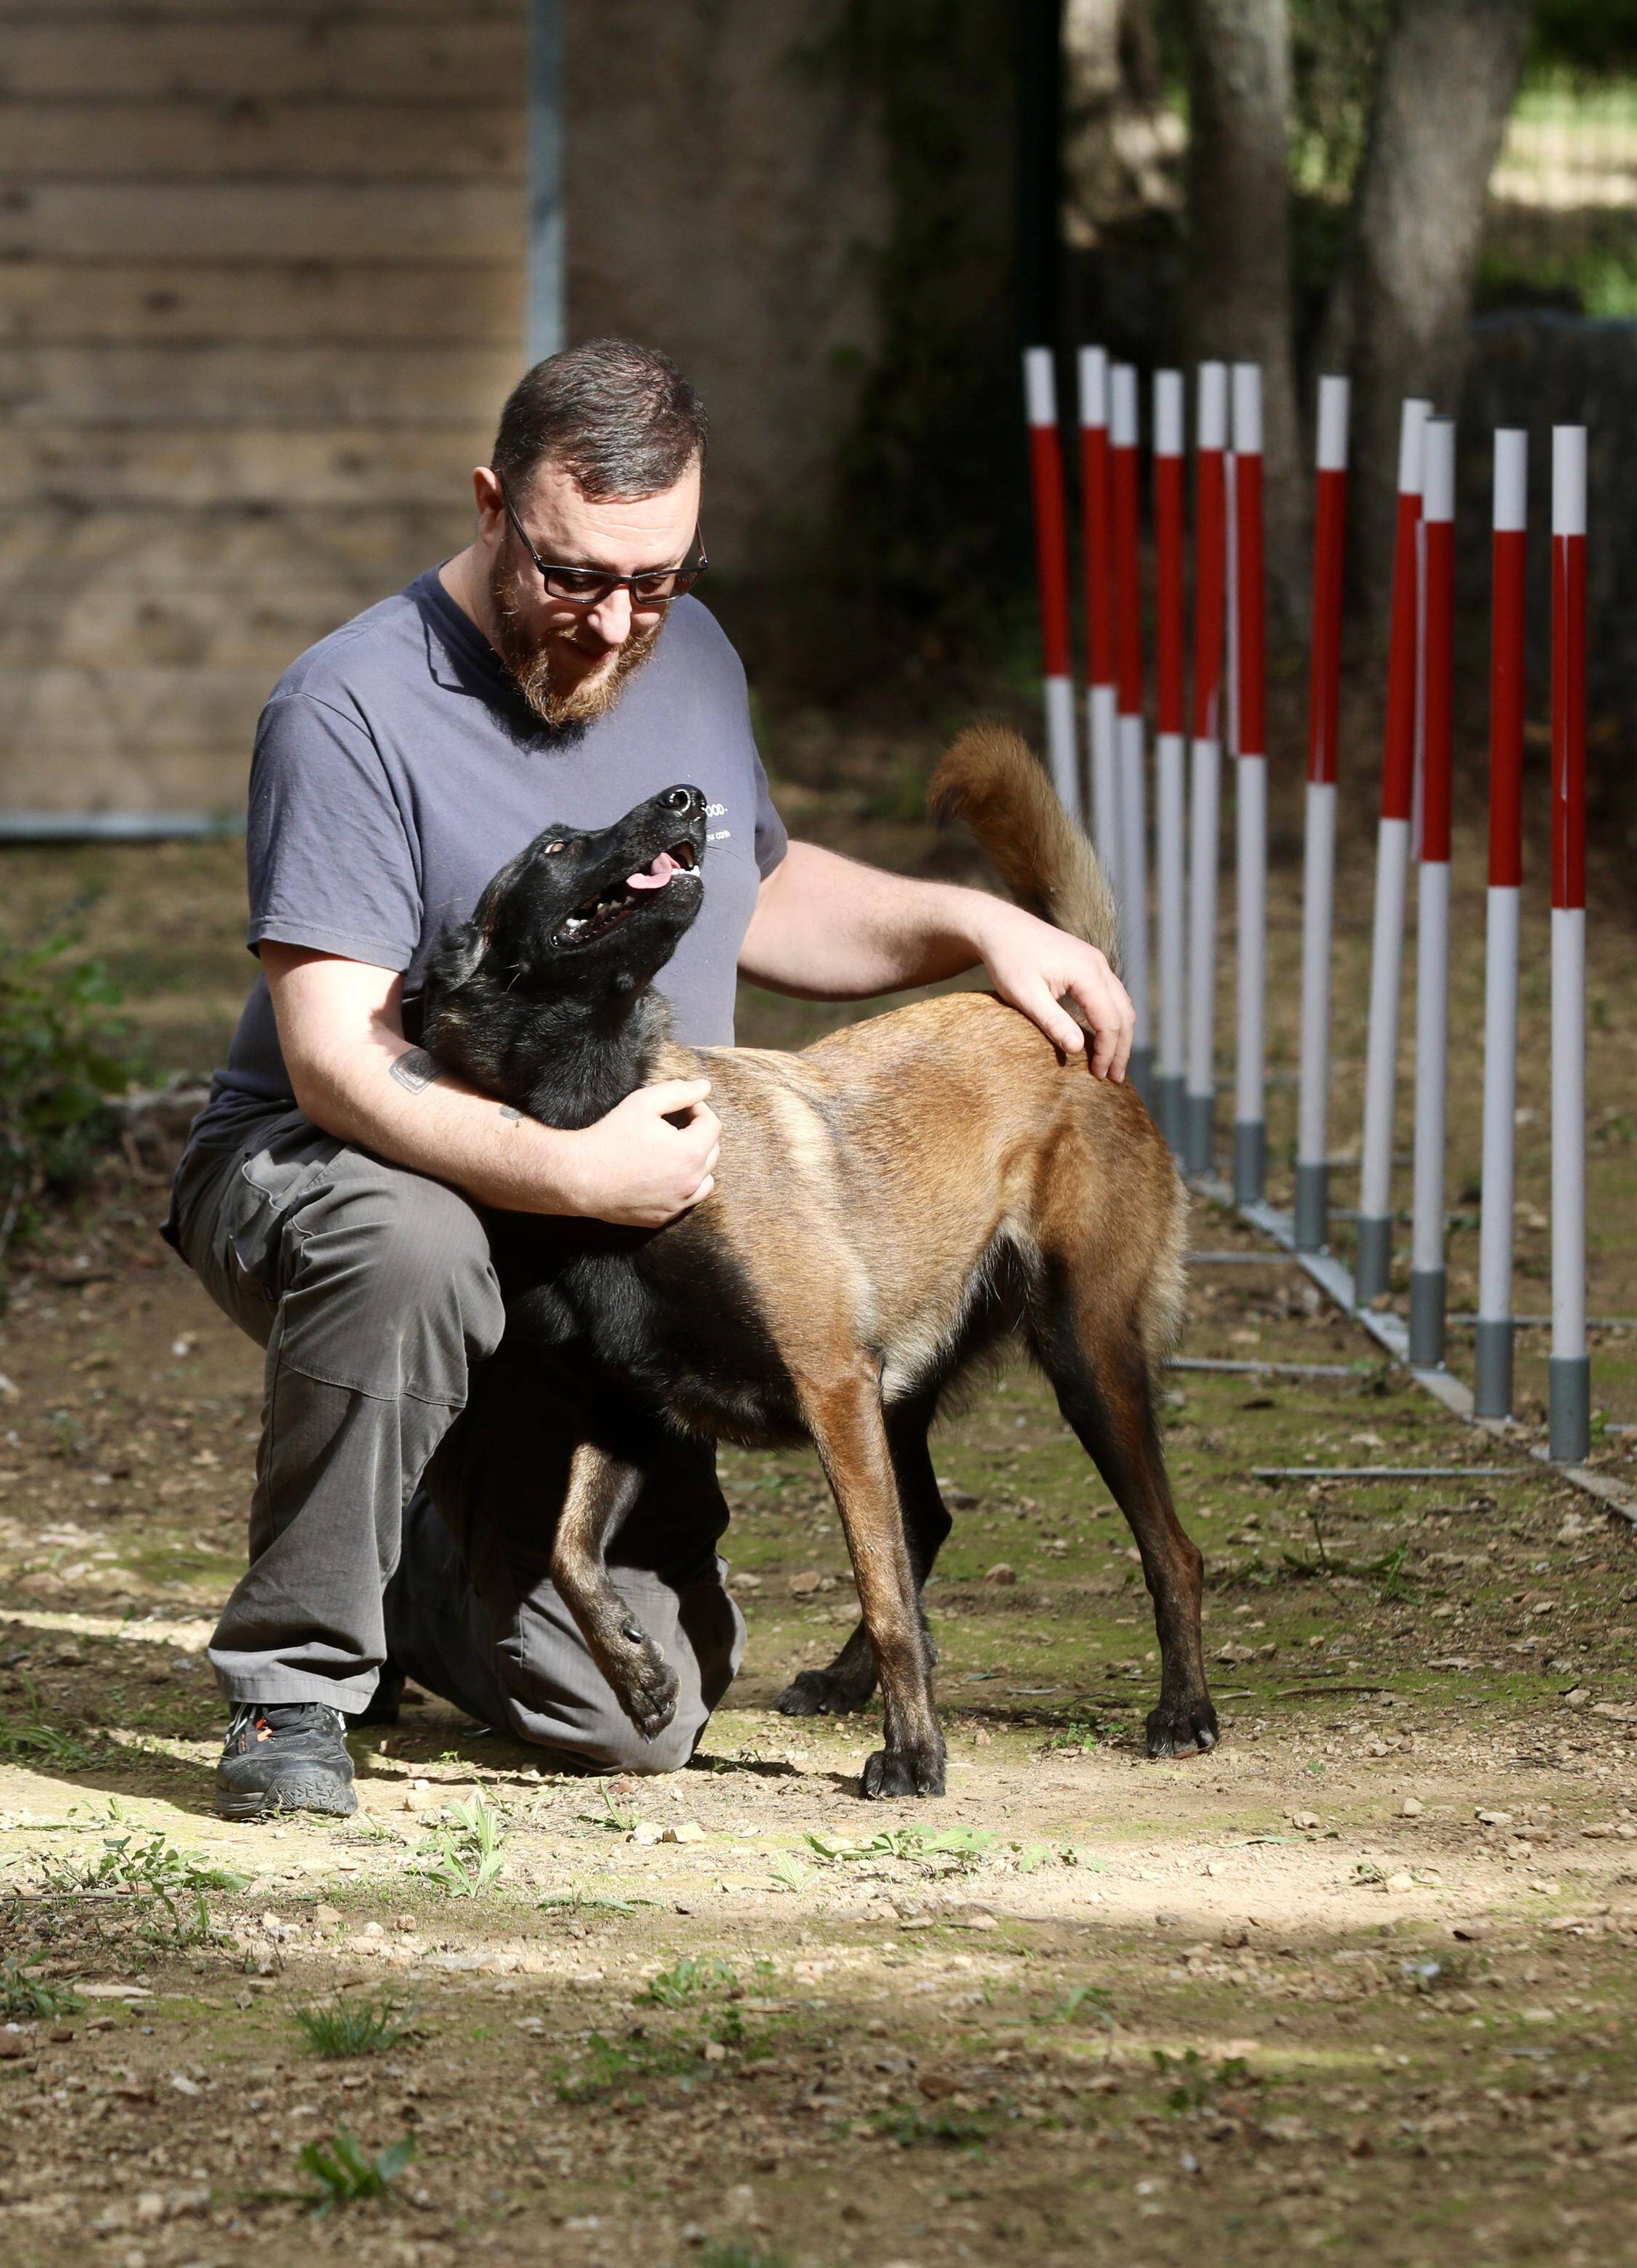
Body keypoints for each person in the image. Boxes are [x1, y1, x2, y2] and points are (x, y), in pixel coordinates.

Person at [165, 338, 1132, 1819]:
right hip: (344, 1168)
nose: (616, 623)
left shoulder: (689, 649)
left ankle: (432, 1571)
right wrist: (572, 1172)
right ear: (494, 505)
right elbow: (339, 1057)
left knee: (642, 1717)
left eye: (657, 580)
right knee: (412, 1247)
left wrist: (974, 919)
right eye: (574, 577)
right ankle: (296, 1681)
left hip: (600, 1222)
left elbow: (766, 893)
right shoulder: (349, 704)